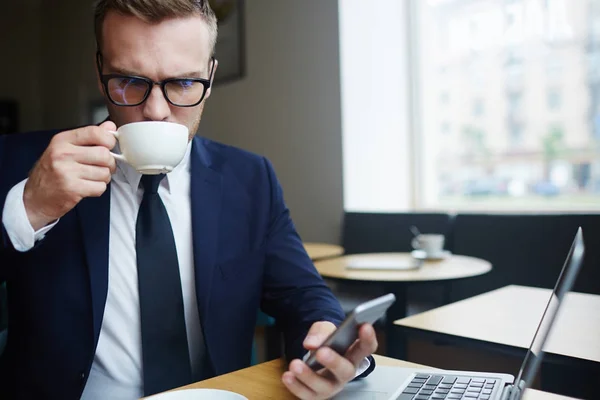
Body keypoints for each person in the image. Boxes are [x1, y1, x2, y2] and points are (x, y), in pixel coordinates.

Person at [0, 1, 378, 399]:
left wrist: (331, 344)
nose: (155, 111)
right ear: (99, 73)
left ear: (210, 77)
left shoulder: (250, 180)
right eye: (130, 80)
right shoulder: (21, 162)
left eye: (182, 83)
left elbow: (302, 294)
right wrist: (28, 209)